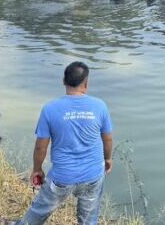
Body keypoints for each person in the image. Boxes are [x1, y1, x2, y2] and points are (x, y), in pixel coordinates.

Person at [10, 62, 113, 225]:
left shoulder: (50, 109)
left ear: (63, 81)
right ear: (86, 83)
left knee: (38, 212)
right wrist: (107, 159)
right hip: (93, 175)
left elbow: (40, 146)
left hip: (62, 177)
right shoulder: (100, 106)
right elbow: (107, 139)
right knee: (88, 220)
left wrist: (37, 170)